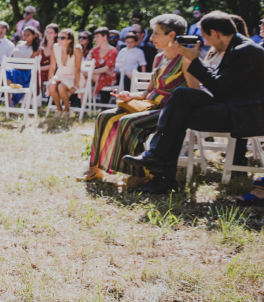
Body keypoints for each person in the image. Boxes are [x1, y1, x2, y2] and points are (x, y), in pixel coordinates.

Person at [124, 11, 264, 195]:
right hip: (231, 105)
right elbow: (221, 86)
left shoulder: (244, 51)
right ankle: (158, 166)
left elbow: (219, 88)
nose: (205, 43)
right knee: (180, 97)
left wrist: (194, 59)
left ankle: (160, 170)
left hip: (245, 114)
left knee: (178, 111)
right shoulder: (235, 47)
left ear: (215, 33)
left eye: (206, 37)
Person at [82, 14, 199, 184]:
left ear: (172, 35)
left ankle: (142, 173)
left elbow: (195, 93)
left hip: (168, 112)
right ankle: (95, 168)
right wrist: (130, 95)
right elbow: (149, 91)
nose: (151, 38)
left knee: (128, 122)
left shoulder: (186, 60)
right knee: (104, 116)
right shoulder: (159, 58)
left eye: (156, 33)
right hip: (148, 104)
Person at [46, 28, 82, 116]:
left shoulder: (76, 49)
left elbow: (78, 68)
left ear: (69, 40)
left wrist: (76, 85)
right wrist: (50, 80)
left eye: (62, 38)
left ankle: (67, 109)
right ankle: (59, 109)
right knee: (52, 85)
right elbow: (52, 67)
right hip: (60, 74)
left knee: (61, 87)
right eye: (58, 37)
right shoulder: (55, 47)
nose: (59, 39)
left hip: (73, 76)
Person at [4, 25, 40, 105]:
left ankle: (9, 100)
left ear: (34, 35)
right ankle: (9, 98)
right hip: (12, 69)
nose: (26, 36)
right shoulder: (20, 43)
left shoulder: (36, 49)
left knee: (7, 72)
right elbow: (12, 56)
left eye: (28, 34)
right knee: (6, 71)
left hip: (24, 72)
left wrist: (14, 67)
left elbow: (31, 63)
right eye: (25, 34)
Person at [87, 27, 118, 103]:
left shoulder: (113, 51)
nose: (95, 39)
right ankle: (84, 106)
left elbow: (106, 69)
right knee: (84, 79)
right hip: (93, 75)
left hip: (108, 77)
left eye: (97, 37)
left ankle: (85, 105)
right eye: (95, 37)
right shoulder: (94, 50)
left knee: (87, 77)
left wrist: (90, 72)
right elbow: (87, 62)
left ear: (105, 37)